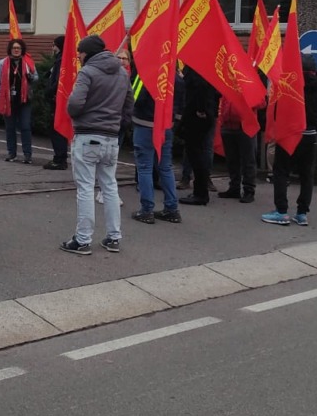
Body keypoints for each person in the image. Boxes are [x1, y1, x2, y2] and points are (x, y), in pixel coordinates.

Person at [60, 36, 132, 255]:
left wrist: (79, 114)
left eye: (79, 53)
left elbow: (74, 104)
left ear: (87, 53)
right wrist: (118, 125)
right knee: (109, 187)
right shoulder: (122, 72)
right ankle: (113, 237)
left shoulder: (87, 72)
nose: (78, 57)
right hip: (111, 138)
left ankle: (82, 240)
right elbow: (129, 105)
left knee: (85, 189)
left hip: (88, 136)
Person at [264, 56, 317, 225]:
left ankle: (281, 211)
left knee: (281, 171)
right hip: (311, 135)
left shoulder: (289, 87)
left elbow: (278, 108)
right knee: (307, 175)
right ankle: (302, 213)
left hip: (290, 133)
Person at [130, 72, 184, 224]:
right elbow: (180, 106)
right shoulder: (176, 77)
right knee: (165, 167)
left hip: (144, 125)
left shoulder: (146, 73)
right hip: (166, 127)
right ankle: (172, 209)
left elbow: (135, 99)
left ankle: (146, 210)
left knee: (145, 167)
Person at [178, 66, 220, 207]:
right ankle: (199, 190)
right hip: (201, 114)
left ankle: (200, 193)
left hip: (197, 116)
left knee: (197, 154)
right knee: (198, 153)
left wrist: (201, 110)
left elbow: (201, 88)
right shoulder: (204, 67)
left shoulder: (198, 68)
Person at [0, 38, 37, 164]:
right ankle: (12, 153)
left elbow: (36, 78)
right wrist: (2, 92)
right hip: (8, 100)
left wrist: (31, 77)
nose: (16, 50)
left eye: (19, 48)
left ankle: (27, 155)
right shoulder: (2, 63)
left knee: (25, 126)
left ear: (22, 50)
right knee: (10, 128)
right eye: (14, 48)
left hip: (24, 100)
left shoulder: (28, 63)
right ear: (10, 49)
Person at [42, 36, 69, 170]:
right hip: (57, 99)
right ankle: (60, 157)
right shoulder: (60, 60)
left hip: (57, 100)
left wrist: (49, 92)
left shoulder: (61, 60)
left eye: (54, 45)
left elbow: (59, 80)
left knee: (56, 129)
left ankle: (59, 159)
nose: (52, 48)